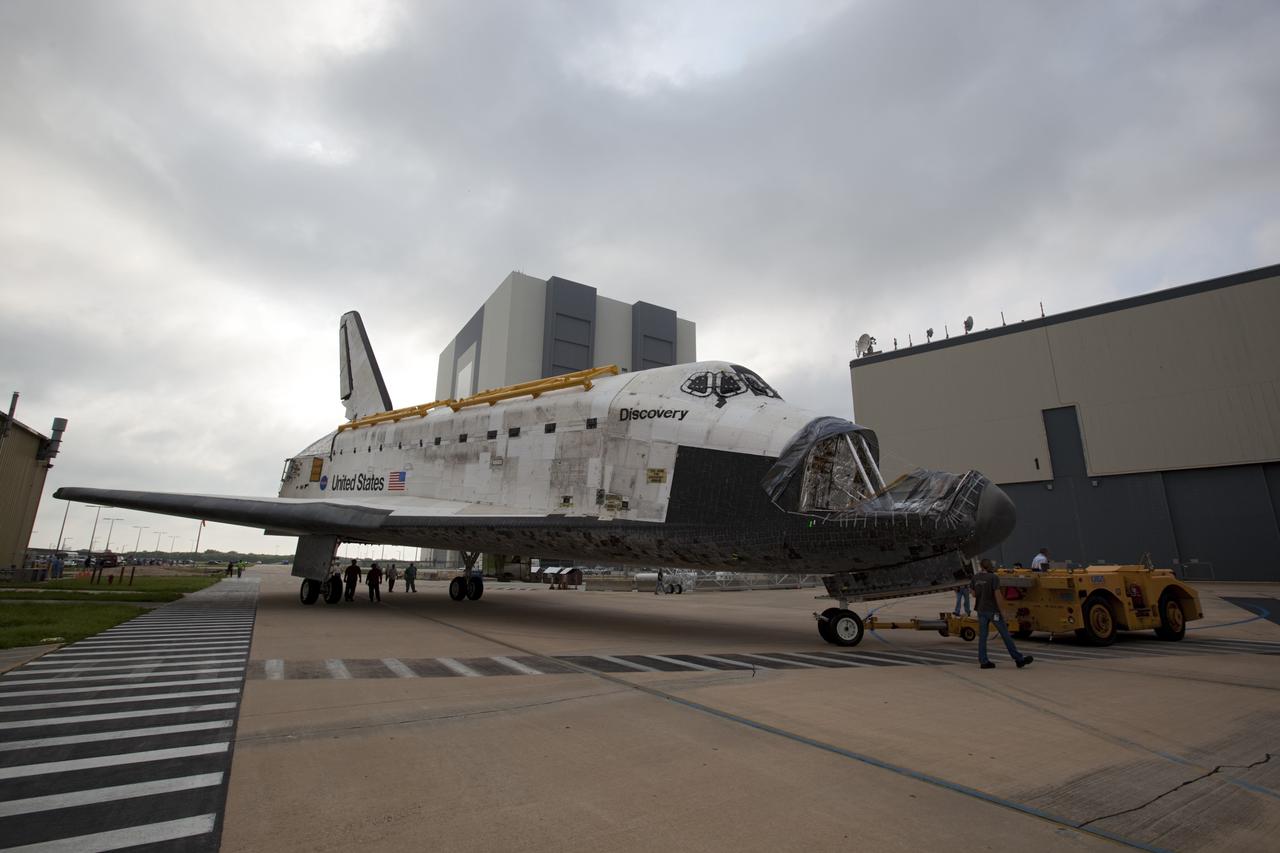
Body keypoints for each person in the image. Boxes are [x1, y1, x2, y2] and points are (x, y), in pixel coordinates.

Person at [970, 559, 1033, 670]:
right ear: (990, 566)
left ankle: (983, 661)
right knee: (1005, 634)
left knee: (983, 637)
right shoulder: (993, 578)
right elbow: (998, 596)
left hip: (981, 610)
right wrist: (1003, 612)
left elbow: (974, 594)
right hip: (993, 611)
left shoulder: (975, 578)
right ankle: (1018, 659)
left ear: (981, 566)